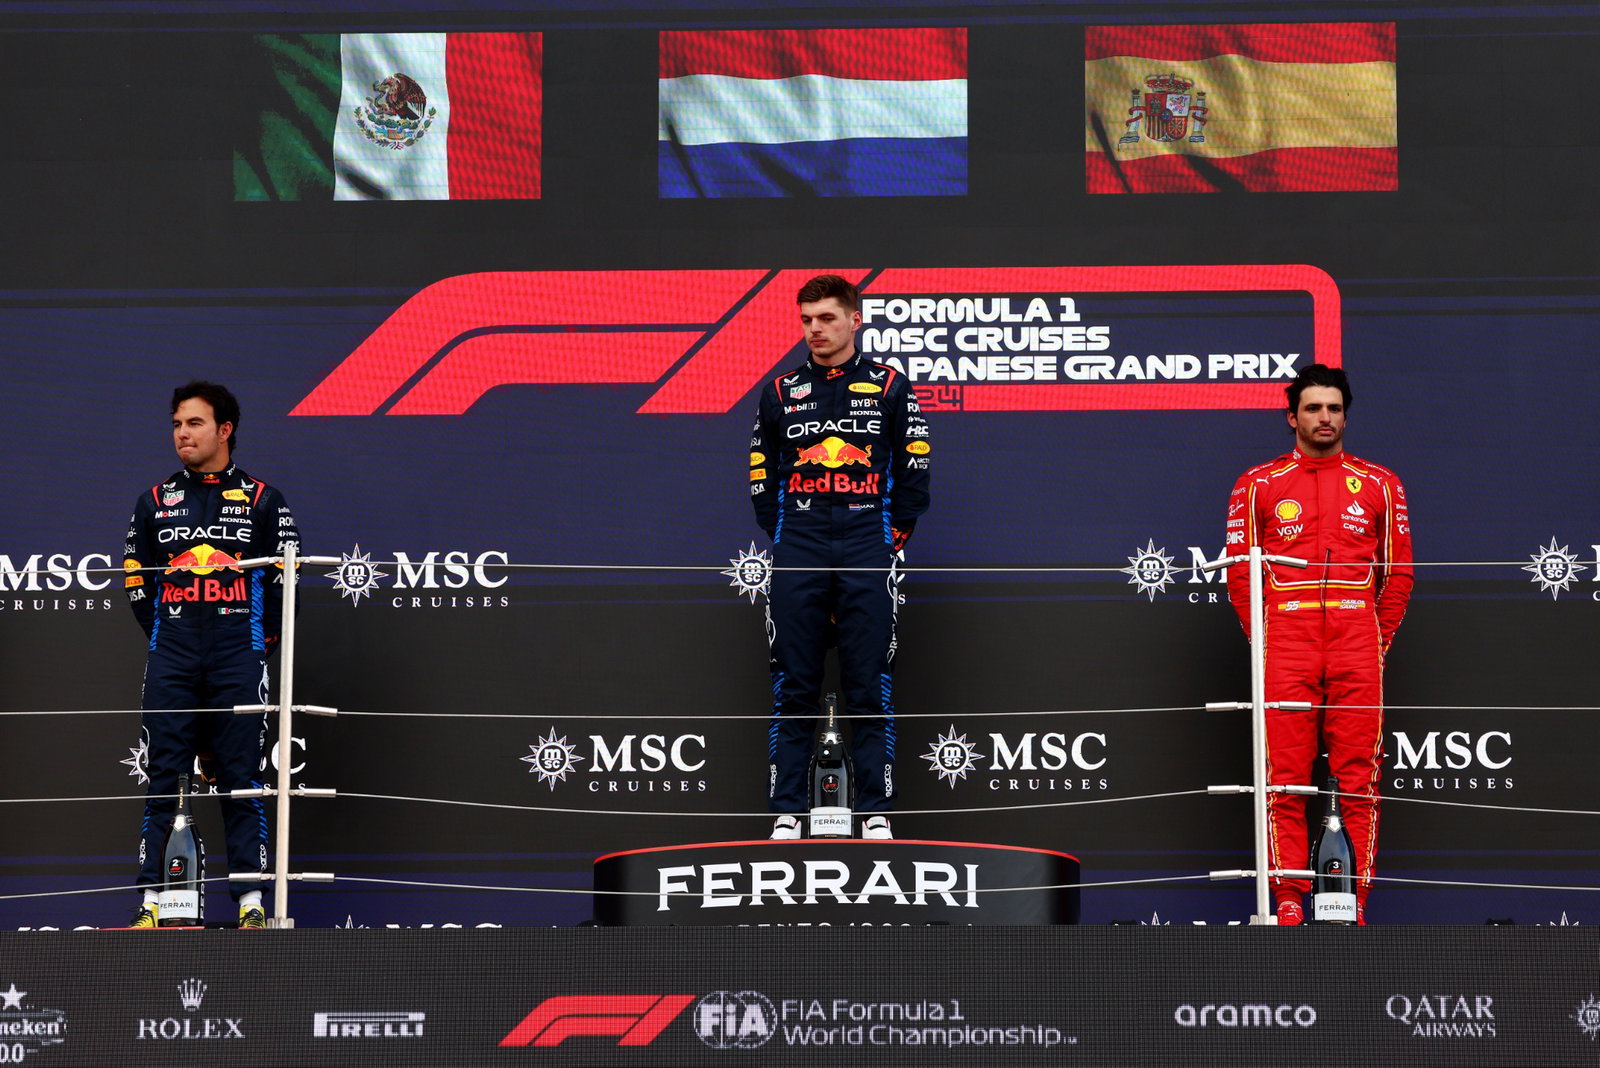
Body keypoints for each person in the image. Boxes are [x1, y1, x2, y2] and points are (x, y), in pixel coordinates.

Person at [1225, 364, 1412, 925]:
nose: (1324, 417)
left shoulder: (1381, 483)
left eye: (1333, 408)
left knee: (1359, 778)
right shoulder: (1257, 483)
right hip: (1287, 642)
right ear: (1292, 416)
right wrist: (1267, 645)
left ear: (1345, 415)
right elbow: (1240, 574)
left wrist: (1375, 644)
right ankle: (1286, 905)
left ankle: (1354, 905)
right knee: (1284, 779)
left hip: (1357, 642)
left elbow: (1398, 576)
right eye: (1312, 408)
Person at [749, 275, 931, 841]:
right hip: (799, 544)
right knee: (794, 681)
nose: (814, 330)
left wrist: (889, 537)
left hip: (865, 543)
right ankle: (788, 809)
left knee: (867, 680)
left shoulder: (889, 386)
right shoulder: (780, 390)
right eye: (806, 320)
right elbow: (761, 469)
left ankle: (875, 810)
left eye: (826, 318)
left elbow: (915, 467)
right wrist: (783, 528)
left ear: (856, 319)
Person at [122, 382, 300, 929]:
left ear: (225, 430)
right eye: (177, 424)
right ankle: (149, 905)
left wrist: (255, 647)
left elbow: (282, 588)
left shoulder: (264, 500)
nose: (182, 434)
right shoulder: (154, 501)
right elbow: (136, 582)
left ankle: (251, 905)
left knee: (242, 781)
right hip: (172, 657)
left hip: (237, 657)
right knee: (163, 782)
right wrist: (168, 636)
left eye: (194, 424)